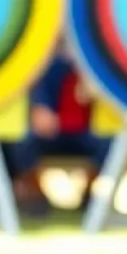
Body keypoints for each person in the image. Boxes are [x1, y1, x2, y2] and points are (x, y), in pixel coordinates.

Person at [8, 48, 110, 216]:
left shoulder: (96, 65)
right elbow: (39, 111)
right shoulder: (44, 65)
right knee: (23, 140)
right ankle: (34, 193)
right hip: (51, 131)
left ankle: (90, 192)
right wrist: (39, 108)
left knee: (110, 140)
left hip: (85, 131)